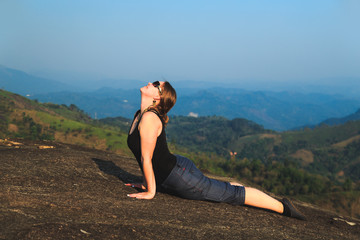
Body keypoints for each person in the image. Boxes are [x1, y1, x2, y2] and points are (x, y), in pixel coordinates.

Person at [126, 81, 306, 220]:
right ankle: (245, 191)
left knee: (232, 194)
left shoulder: (149, 118)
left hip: (179, 176)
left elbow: (146, 158)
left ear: (158, 98)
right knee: (221, 188)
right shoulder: (140, 114)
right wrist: (146, 183)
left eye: (157, 85)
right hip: (176, 169)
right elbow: (148, 155)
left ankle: (284, 207)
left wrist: (150, 191)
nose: (151, 83)